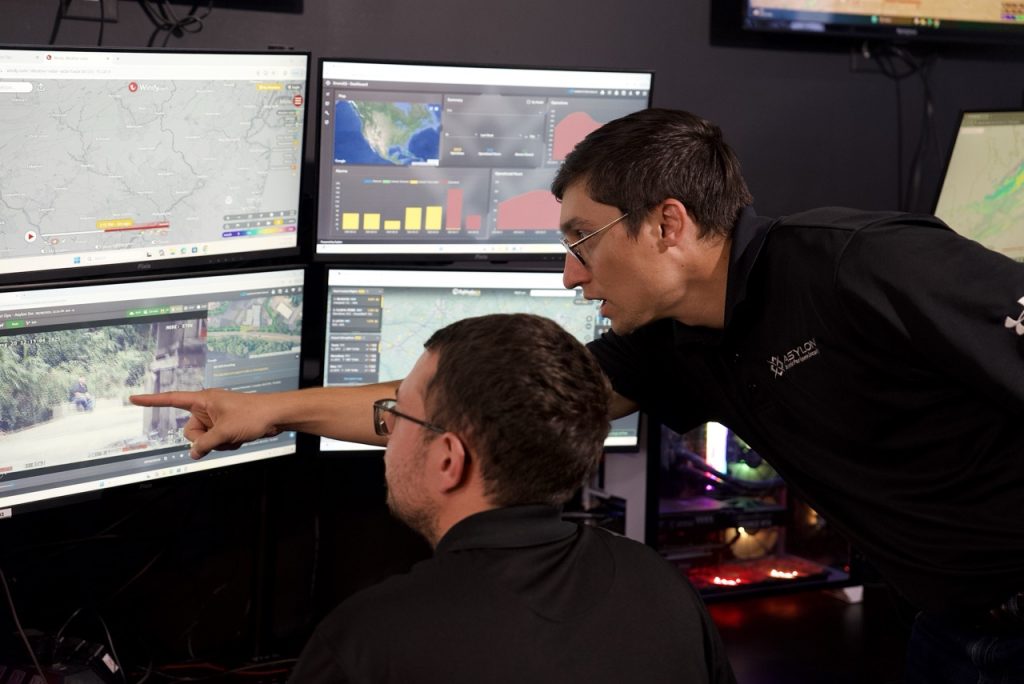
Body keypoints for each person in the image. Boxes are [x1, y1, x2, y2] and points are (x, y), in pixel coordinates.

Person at [130, 108, 1024, 682]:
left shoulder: (861, 266)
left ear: (667, 223)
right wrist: (269, 411)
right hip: (948, 625)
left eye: (582, 240)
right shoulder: (678, 346)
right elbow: (475, 409)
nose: (570, 275)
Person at [280, 313, 732, 683]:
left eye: (397, 413)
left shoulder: (368, 641)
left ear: (448, 460)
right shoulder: (661, 586)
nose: (388, 429)